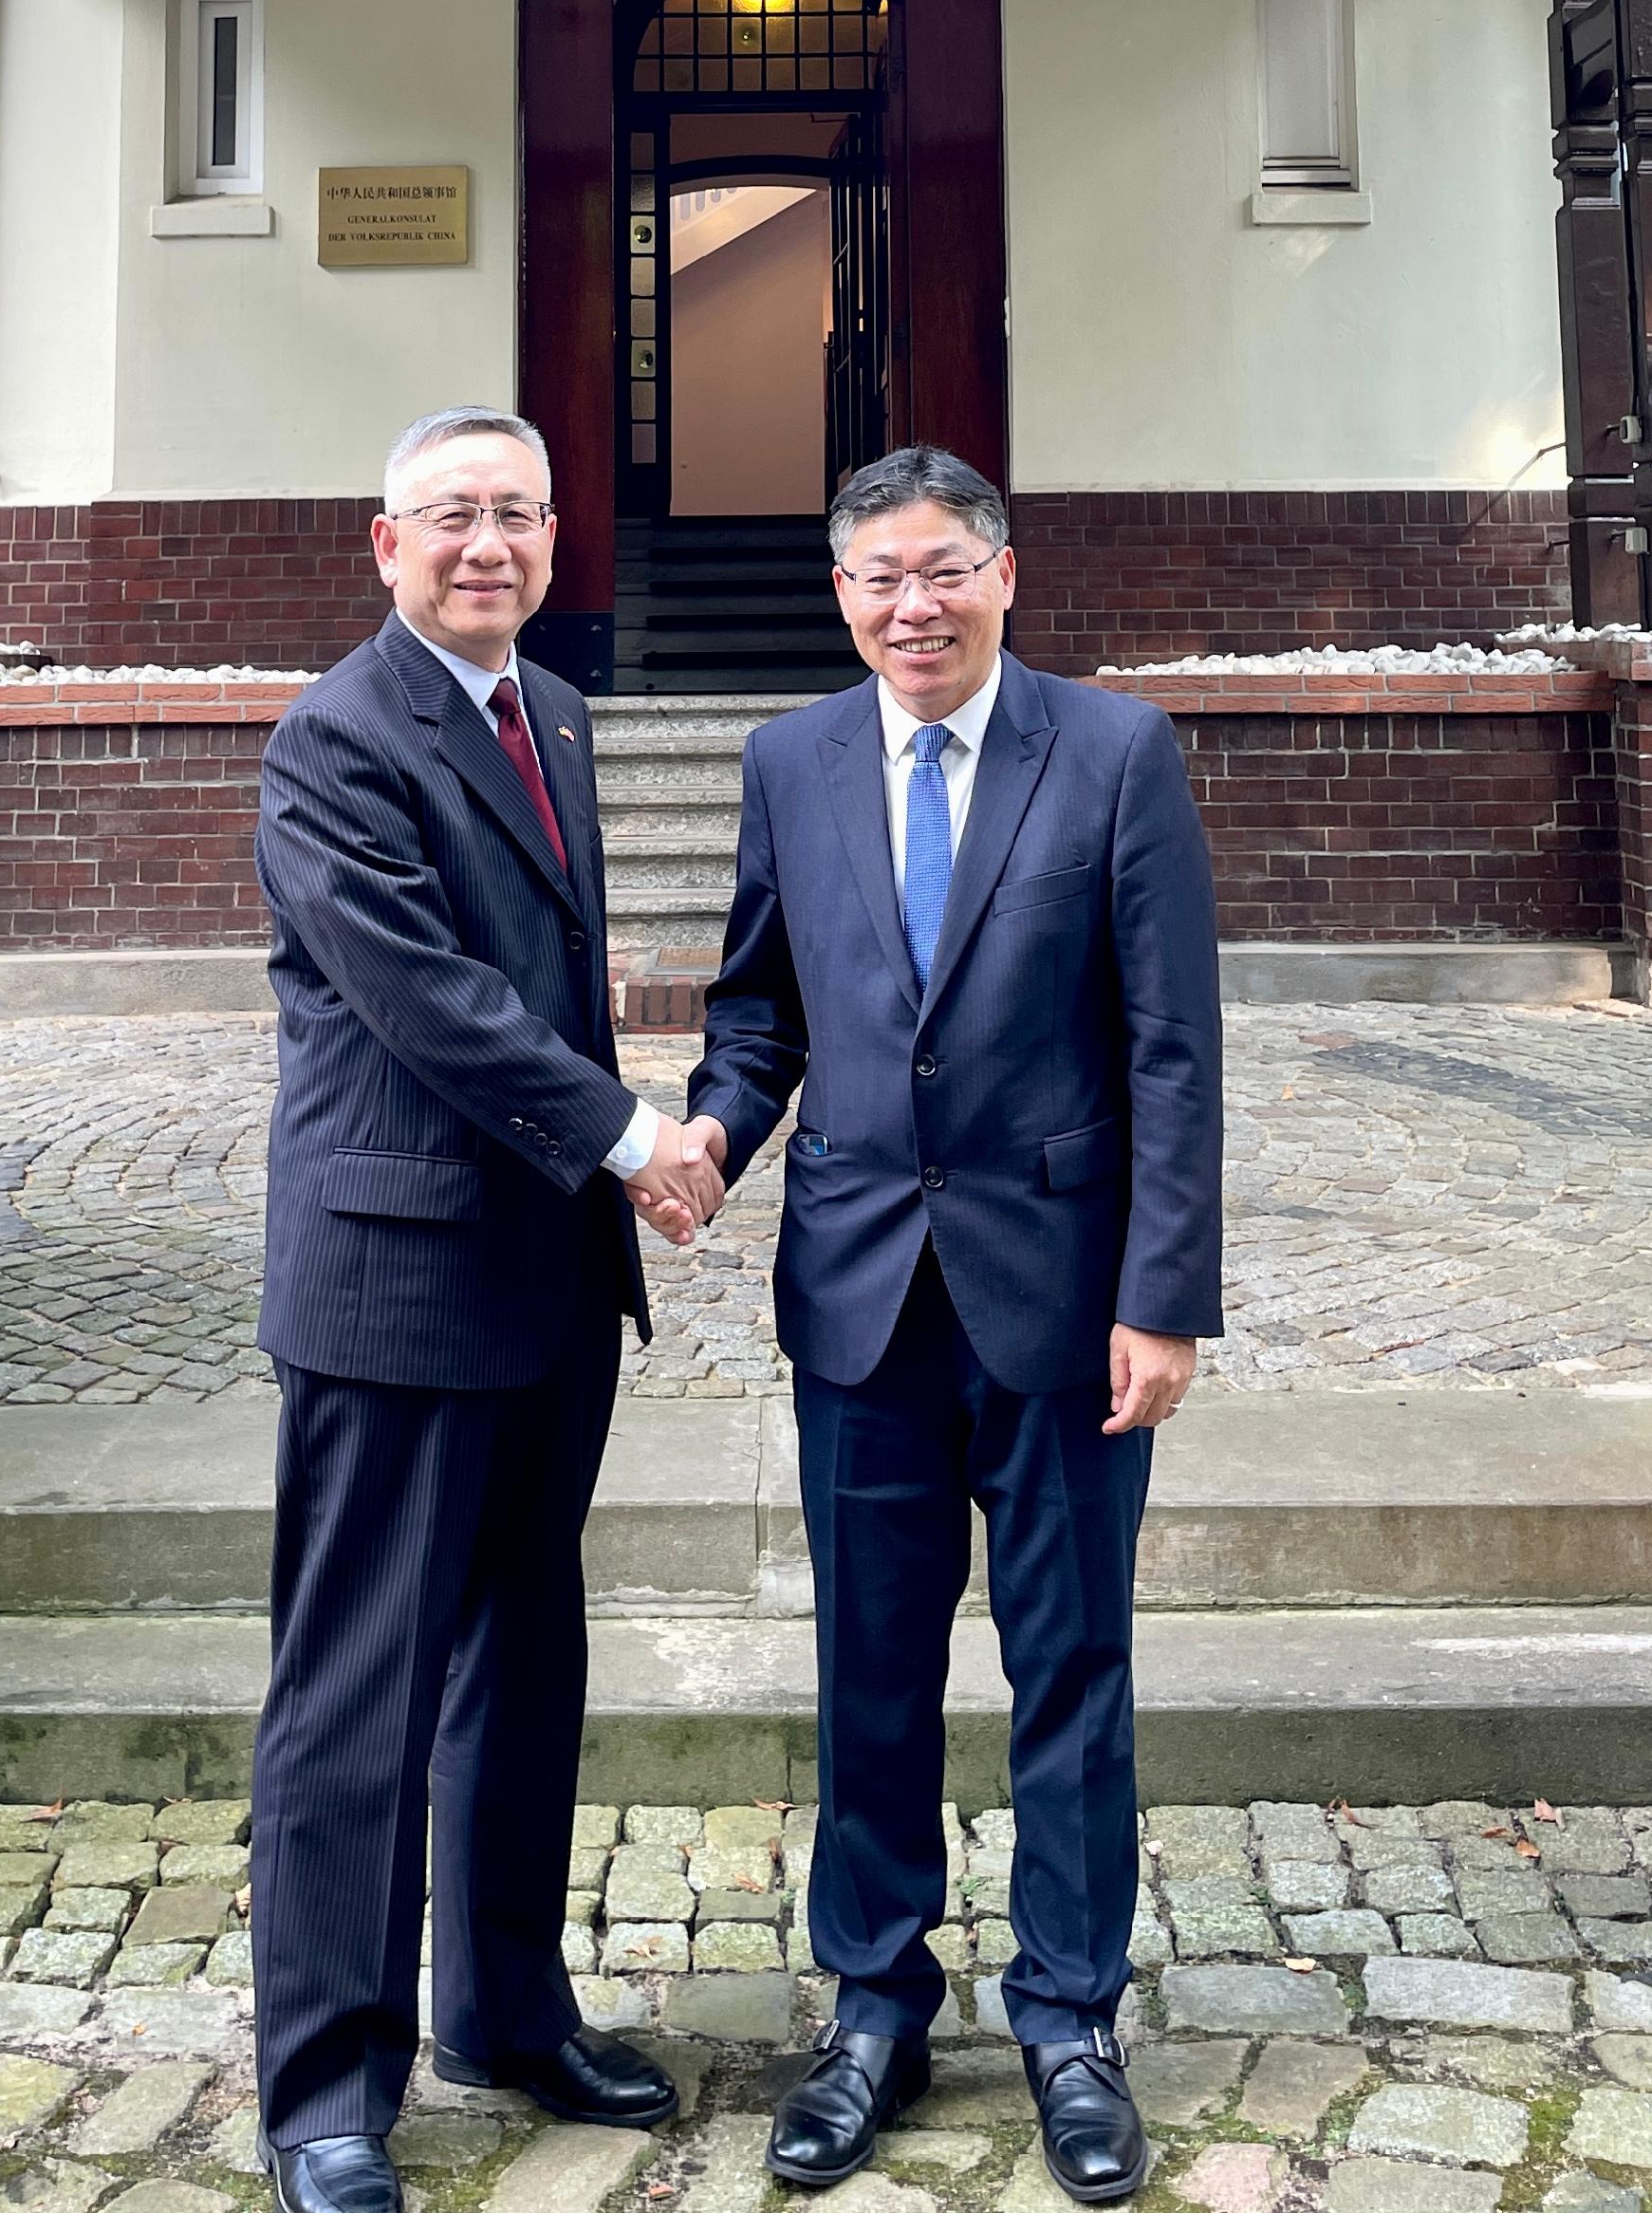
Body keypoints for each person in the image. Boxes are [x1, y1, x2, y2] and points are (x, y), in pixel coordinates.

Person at [679, 445, 1221, 2203]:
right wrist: (704, 1131)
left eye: (941, 570)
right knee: (871, 1675)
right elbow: (760, 1004)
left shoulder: (1116, 754)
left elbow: (1170, 1050)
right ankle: (873, 2007)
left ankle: (1069, 2016)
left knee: (1071, 1669)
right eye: (875, 578)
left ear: (1005, 574)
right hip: (859, 1306)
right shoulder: (792, 759)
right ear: (840, 597)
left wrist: (1165, 1297)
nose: (909, 606)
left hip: (1062, 1306)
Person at [248, 407, 725, 2213]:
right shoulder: (336, 738)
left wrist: (628, 1154)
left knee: (526, 1667)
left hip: (545, 1284)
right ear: (387, 544)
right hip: (395, 1282)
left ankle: (507, 2013)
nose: (487, 546)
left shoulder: (557, 715)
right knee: (355, 1689)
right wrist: (630, 1138)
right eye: (450, 517)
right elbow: (428, 999)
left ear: (553, 538)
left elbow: (555, 981)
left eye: (517, 515)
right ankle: (326, 2092)